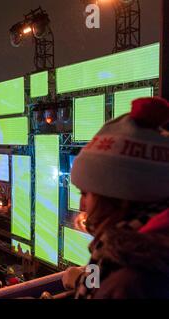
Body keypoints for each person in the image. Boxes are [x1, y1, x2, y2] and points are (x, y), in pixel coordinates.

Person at [64, 97, 169, 299]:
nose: (81, 205)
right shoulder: (126, 255)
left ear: (119, 195)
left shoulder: (130, 283)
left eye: (86, 193)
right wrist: (81, 279)